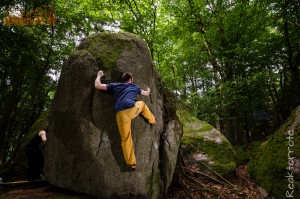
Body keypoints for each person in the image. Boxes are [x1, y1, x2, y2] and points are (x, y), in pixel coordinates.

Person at [94, 70, 156, 171]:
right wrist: (148, 89)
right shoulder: (134, 86)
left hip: (121, 115)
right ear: (130, 80)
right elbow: (146, 94)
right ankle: (153, 121)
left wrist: (99, 75)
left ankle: (131, 164)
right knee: (142, 104)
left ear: (122, 80)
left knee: (126, 138)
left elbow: (97, 85)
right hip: (133, 110)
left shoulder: (114, 85)